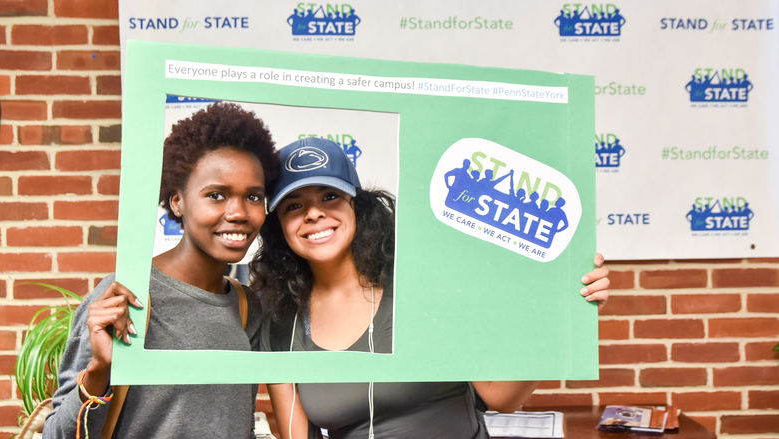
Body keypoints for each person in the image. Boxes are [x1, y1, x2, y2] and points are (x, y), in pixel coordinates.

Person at [252, 138, 609, 439]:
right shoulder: (284, 323)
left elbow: (502, 396)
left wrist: (565, 313)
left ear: (357, 206)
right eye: (293, 206)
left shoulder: (421, 285)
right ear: (279, 227)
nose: (313, 213)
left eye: (329, 196)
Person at [43, 102, 279, 438]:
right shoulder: (125, 294)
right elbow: (58, 435)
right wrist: (99, 371)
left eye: (253, 197)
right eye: (216, 195)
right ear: (177, 201)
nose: (239, 212)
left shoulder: (246, 307)